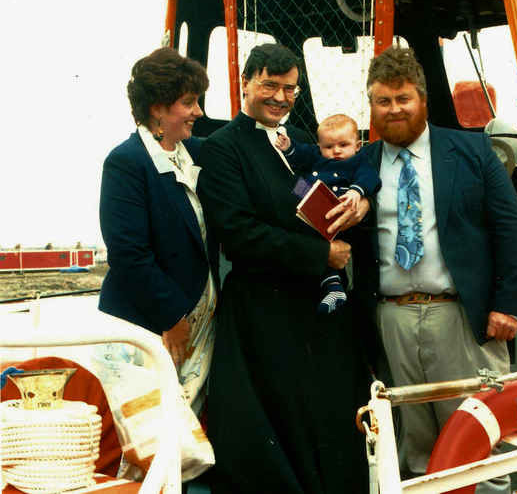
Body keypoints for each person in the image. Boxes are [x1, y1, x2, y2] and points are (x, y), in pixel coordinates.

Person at [353, 46, 517, 492]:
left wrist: (507, 304)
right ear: (371, 105)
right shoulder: (363, 163)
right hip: (392, 320)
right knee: (417, 449)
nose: (394, 110)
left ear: (423, 99)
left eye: (403, 99)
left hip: (461, 319)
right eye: (383, 101)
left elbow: (510, 229)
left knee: (479, 444)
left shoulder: (471, 151)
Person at [196, 43, 370, 493]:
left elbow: (308, 203)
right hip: (263, 314)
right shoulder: (223, 149)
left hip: (313, 313)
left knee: (325, 427)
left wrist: (354, 205)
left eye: (289, 88)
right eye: (269, 85)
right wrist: (321, 256)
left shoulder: (296, 152)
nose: (279, 96)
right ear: (245, 84)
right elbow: (238, 233)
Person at [99, 47, 218, 418]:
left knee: (187, 436)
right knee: (149, 436)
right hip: (149, 326)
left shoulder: (196, 153)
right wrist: (172, 317)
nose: (198, 112)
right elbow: (128, 253)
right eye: (188, 102)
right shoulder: (126, 163)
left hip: (199, 328)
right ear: (157, 108)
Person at [275, 113, 381, 314]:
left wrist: (356, 191)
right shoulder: (316, 155)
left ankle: (334, 286)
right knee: (297, 188)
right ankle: (333, 287)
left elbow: (370, 177)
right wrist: (289, 147)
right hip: (314, 201)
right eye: (329, 147)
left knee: (328, 242)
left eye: (343, 145)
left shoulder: (358, 162)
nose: (336, 151)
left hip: (339, 205)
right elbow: (303, 153)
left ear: (357, 145)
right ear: (320, 146)